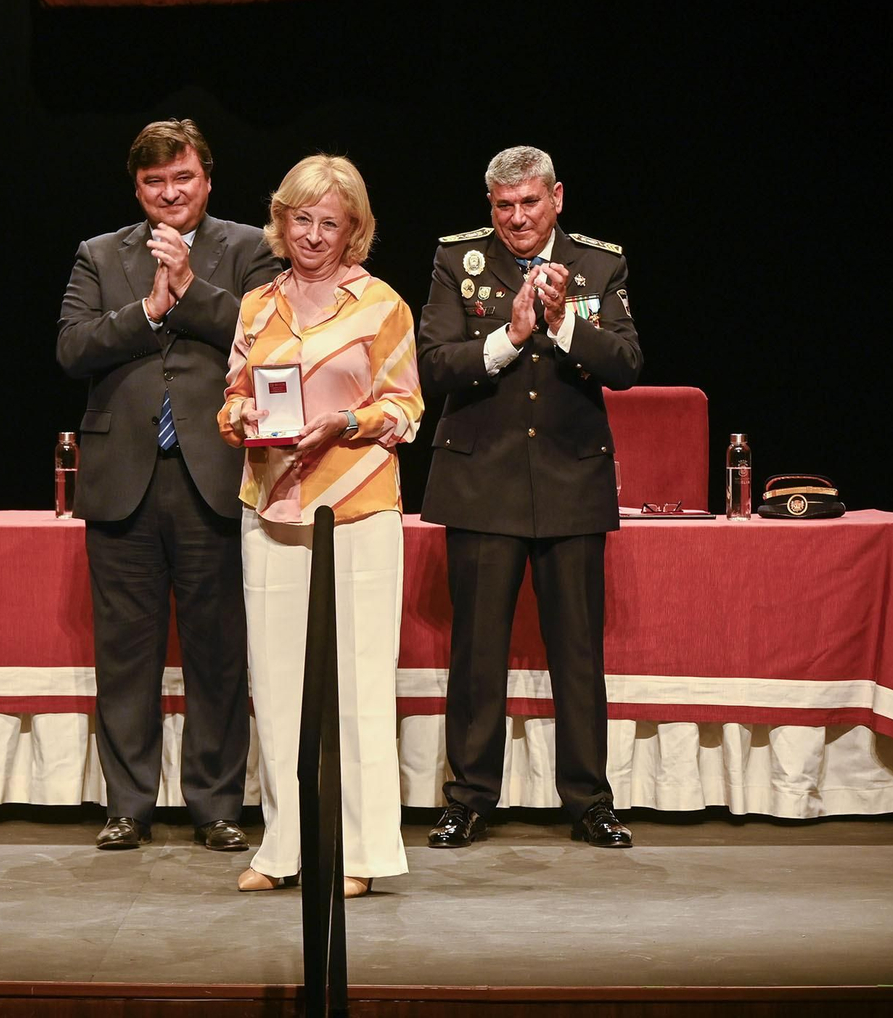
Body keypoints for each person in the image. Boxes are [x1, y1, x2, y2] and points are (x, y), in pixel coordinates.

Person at [57, 119, 281, 851]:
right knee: (125, 652)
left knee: (219, 650)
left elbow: (263, 336)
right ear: (138, 189)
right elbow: (72, 346)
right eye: (154, 183)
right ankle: (128, 804)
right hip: (122, 476)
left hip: (212, 474)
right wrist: (148, 309)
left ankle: (216, 805)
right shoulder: (100, 254)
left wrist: (186, 289)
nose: (169, 193)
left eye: (181, 178)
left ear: (206, 179)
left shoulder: (247, 248)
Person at [417, 145, 642, 849]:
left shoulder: (599, 264)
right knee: (477, 652)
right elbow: (432, 363)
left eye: (530, 202)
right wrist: (510, 334)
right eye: (504, 205)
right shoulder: (459, 260)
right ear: (490, 206)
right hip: (481, 480)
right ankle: (469, 798)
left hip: (571, 480)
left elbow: (627, 364)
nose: (517, 217)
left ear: (558, 198)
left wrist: (563, 323)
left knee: (578, 652)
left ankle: (588, 800)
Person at [218, 155, 423, 898]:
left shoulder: (382, 305)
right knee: (274, 687)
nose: (312, 234)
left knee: (360, 685)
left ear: (352, 230)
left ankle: (361, 851)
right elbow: (233, 393)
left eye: (328, 222)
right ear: (281, 221)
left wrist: (345, 420)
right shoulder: (256, 305)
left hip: (358, 511)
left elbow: (406, 409)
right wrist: (239, 415)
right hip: (271, 510)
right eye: (300, 218)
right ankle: (283, 848)